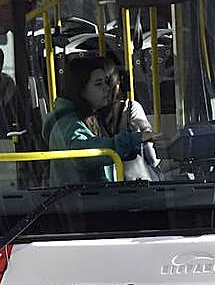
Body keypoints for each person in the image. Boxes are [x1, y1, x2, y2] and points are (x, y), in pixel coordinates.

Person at [42, 55, 154, 186]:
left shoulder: (86, 119)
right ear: (81, 89)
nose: (107, 88)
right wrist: (133, 139)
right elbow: (83, 154)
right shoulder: (68, 123)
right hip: (81, 196)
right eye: (98, 84)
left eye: (106, 82)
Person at [97, 55, 158, 181]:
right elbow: (152, 157)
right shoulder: (131, 108)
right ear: (118, 83)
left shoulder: (86, 116)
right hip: (135, 182)